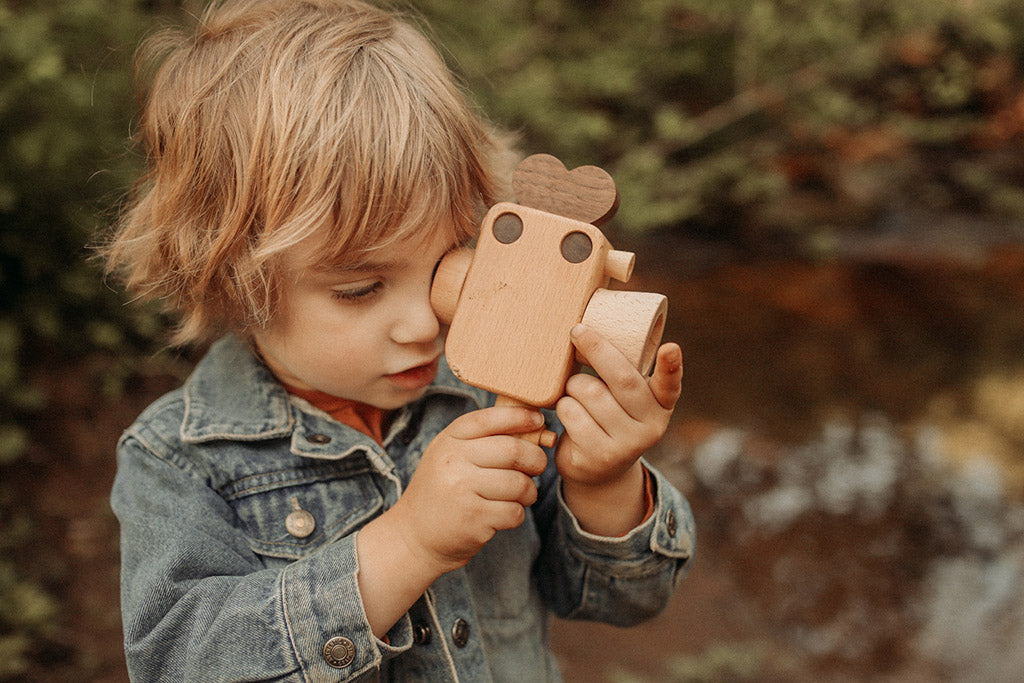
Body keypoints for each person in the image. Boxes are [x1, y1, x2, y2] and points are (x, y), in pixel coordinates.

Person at [102, 0, 695, 680]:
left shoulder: (505, 389)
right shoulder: (178, 461)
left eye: (449, 264)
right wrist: (406, 545)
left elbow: (626, 597)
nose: (424, 325)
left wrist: (604, 482)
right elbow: (176, 660)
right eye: (360, 289)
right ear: (234, 281)